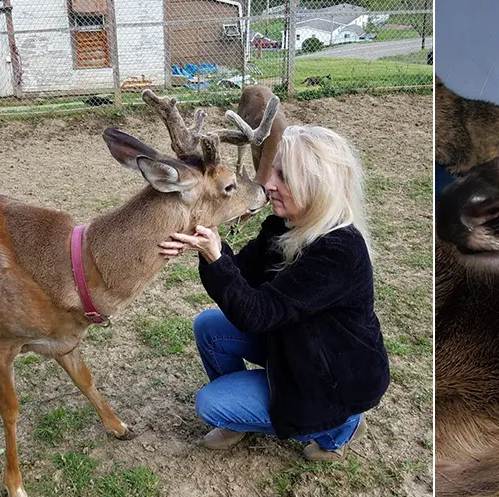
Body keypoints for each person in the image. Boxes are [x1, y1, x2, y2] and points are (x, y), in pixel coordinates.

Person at [159, 124, 390, 461]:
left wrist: (214, 256)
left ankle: (341, 425)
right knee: (209, 328)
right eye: (274, 172)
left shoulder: (339, 252)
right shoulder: (286, 226)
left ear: (317, 185)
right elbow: (239, 274)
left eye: (284, 177)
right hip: (296, 347)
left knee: (210, 404)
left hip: (332, 378)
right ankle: (243, 415)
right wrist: (209, 238)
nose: (269, 185)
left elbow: (256, 313)